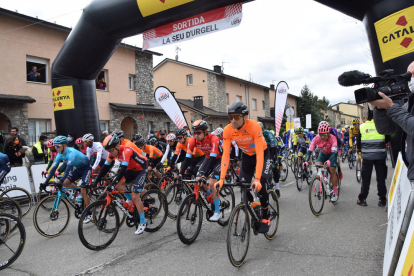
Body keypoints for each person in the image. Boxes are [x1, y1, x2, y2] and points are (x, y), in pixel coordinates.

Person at [215, 102, 271, 233]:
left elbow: (260, 152)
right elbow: (225, 156)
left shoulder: (254, 126)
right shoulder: (228, 130)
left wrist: (257, 178)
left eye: (236, 117)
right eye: (230, 117)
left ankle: (266, 215)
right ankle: (253, 204)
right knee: (242, 184)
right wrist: (222, 178)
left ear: (245, 116)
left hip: (261, 154)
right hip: (246, 156)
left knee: (261, 182)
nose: (233, 120)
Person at [92, 135, 148, 234]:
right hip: (131, 169)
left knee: (135, 196)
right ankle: (130, 200)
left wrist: (112, 184)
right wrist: (95, 181)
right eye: (108, 151)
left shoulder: (126, 151)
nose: (110, 153)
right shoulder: (112, 152)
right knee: (118, 184)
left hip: (141, 170)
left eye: (111, 150)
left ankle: (142, 222)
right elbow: (105, 167)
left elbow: (122, 170)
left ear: (117, 146)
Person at [177, 120, 222, 221]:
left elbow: (213, 158)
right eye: (194, 133)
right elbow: (187, 159)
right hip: (208, 158)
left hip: (218, 159)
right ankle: (210, 196)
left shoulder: (213, 139)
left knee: (211, 182)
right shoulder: (193, 141)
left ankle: (217, 212)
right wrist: (180, 174)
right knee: (198, 179)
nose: (196, 135)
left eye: (198, 132)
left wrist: (205, 176)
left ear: (205, 132)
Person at [41, 136, 93, 223]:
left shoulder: (71, 152)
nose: (55, 148)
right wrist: (45, 182)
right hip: (78, 168)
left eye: (57, 146)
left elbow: (68, 169)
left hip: (86, 168)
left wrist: (60, 181)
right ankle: (79, 190)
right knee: (65, 183)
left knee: (83, 191)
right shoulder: (59, 155)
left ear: (64, 145)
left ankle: (89, 213)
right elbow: (53, 169)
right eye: (55, 146)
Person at [356, 116, 388, 207]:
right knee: (381, 178)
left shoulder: (362, 126)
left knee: (366, 179)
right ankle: (382, 200)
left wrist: (360, 153)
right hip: (380, 156)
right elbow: (387, 139)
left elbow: (358, 143)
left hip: (367, 157)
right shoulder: (381, 125)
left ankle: (362, 199)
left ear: (366, 117)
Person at [303, 122, 339, 202]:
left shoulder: (333, 138)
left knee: (332, 171)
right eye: (320, 134)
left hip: (332, 154)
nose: (322, 137)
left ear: (328, 133)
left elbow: (334, 153)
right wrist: (306, 161)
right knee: (318, 166)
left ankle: (335, 193)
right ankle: (323, 181)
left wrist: (329, 161)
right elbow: (310, 150)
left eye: (324, 135)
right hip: (323, 154)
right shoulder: (316, 138)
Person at [258, 122, 281, 196]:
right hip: (263, 153)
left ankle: (277, 188)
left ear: (263, 129)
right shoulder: (256, 135)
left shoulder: (268, 134)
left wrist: (271, 159)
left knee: (274, 167)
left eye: (260, 130)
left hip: (272, 151)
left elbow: (273, 148)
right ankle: (267, 183)